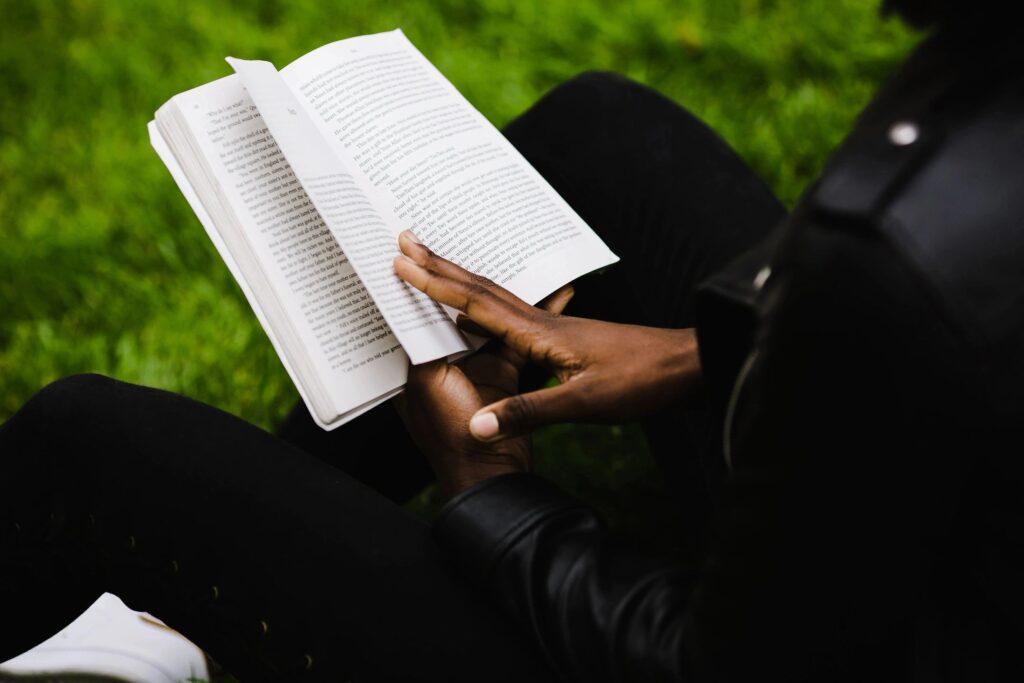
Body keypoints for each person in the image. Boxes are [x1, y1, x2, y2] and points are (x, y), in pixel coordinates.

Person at [2, 0, 1022, 680]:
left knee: (78, 438)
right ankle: (227, 571)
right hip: (914, 539)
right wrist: (694, 350)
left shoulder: (889, 257)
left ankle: (191, 581)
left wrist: (493, 495)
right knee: (605, 130)